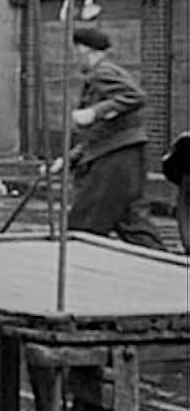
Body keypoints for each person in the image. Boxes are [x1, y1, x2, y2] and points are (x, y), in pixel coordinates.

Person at [66, 27, 164, 250]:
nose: (75, 59)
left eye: (76, 52)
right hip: (125, 156)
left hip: (114, 159)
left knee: (84, 224)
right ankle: (166, 265)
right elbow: (101, 130)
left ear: (86, 51)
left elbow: (136, 96)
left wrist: (95, 111)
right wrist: (70, 158)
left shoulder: (103, 73)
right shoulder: (107, 74)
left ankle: (78, 266)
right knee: (131, 221)